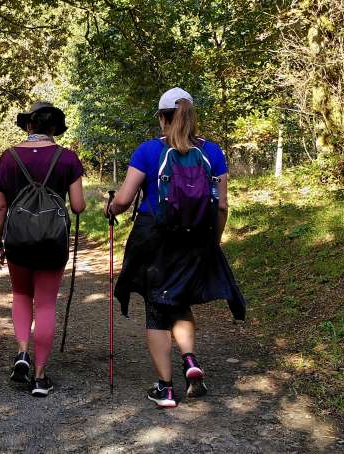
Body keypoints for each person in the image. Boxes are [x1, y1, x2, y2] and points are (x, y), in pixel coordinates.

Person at [104, 88, 246, 408]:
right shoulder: (213, 152)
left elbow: (124, 200)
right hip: (195, 237)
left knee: (157, 305)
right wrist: (213, 241)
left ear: (162, 117)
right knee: (178, 298)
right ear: (191, 115)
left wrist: (111, 208)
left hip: (155, 237)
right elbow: (221, 205)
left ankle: (166, 388)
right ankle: (190, 360)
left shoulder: (148, 151)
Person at [0, 101, 87, 397]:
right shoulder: (67, 158)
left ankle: (22, 352)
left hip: (18, 240)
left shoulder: (8, 157)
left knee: (21, 294)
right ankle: (41, 378)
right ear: (55, 128)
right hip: (52, 240)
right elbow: (78, 206)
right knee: (45, 304)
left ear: (29, 125)